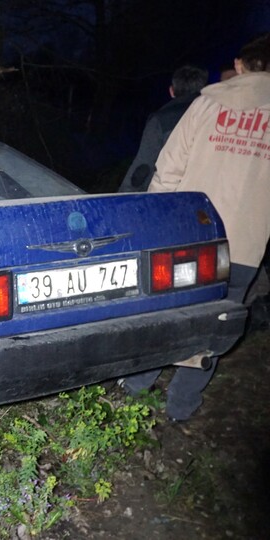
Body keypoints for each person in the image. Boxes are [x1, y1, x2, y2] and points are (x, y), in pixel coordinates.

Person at [122, 33, 270, 420]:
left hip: (190, 233)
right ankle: (181, 406)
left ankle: (136, 387)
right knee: (215, 321)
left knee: (169, 311)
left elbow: (167, 170)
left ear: (240, 65)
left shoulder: (207, 104)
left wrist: (157, 224)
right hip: (246, 244)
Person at [118, 65, 208, 192]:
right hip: (201, 196)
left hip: (164, 194)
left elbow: (143, 166)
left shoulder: (161, 120)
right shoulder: (211, 119)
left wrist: (124, 196)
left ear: (171, 91)